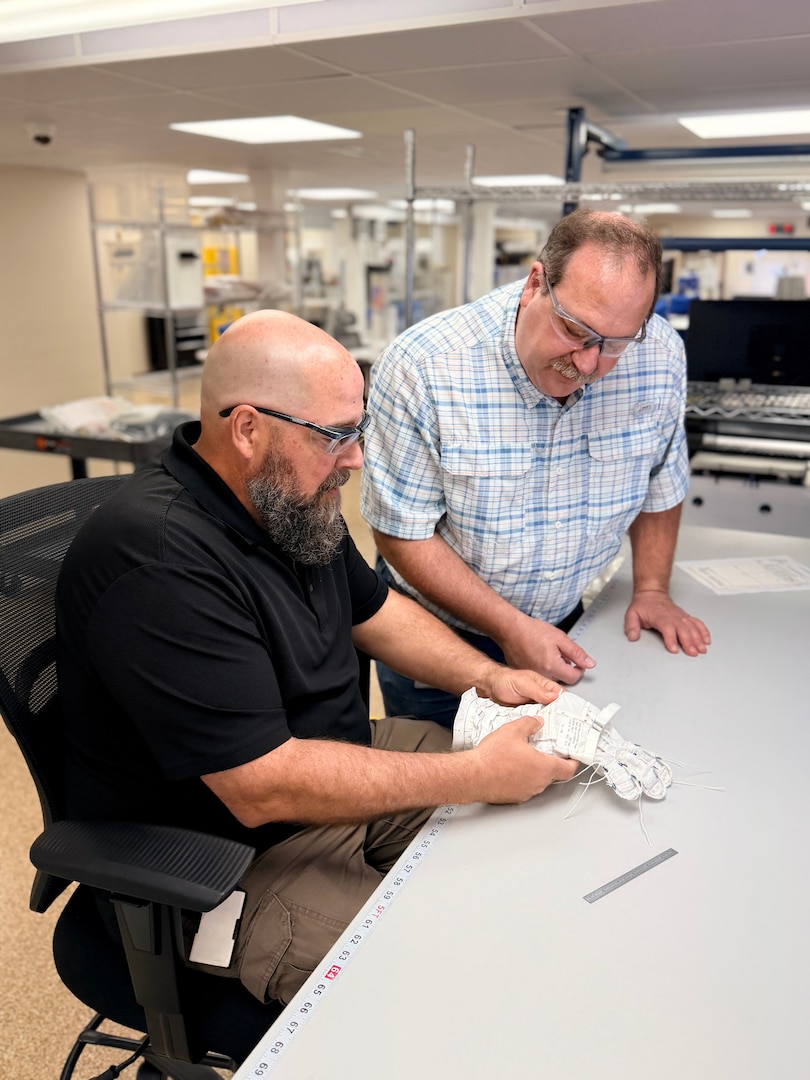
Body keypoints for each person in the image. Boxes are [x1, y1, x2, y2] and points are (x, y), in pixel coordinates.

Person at [55, 309, 577, 1008]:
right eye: (335, 436)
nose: (355, 459)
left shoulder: (288, 500)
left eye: (356, 431)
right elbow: (262, 785)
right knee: (460, 984)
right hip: (232, 861)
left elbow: (376, 613)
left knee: (530, 823)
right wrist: (475, 774)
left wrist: (492, 675)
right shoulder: (157, 560)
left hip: (327, 770)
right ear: (247, 430)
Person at [361, 208, 711, 727]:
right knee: (445, 797)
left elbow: (662, 478)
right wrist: (508, 626)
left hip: (564, 628)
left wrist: (653, 589)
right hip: (439, 644)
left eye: (614, 344)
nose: (589, 364)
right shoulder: (425, 367)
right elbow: (401, 534)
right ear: (534, 284)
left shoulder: (658, 354)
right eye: (575, 330)